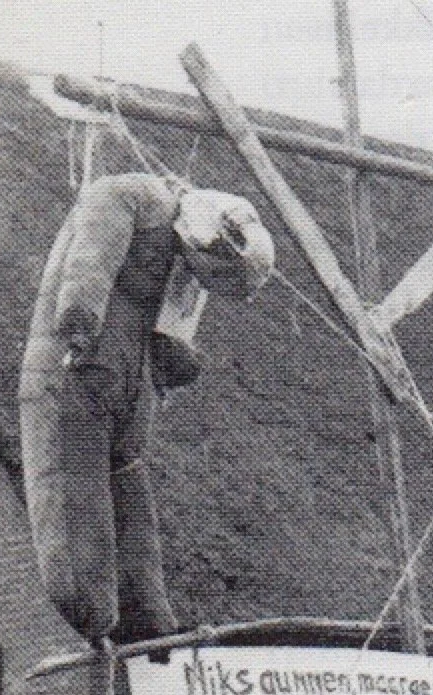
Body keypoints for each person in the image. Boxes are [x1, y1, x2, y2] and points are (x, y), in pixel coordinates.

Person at [17, 173, 274, 645]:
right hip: (78, 373)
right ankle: (93, 613)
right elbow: (89, 263)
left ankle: (150, 622)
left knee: (131, 499)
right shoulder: (128, 198)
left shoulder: (184, 258)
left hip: (127, 388)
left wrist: (174, 367)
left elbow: (171, 336)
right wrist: (78, 322)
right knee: (77, 493)